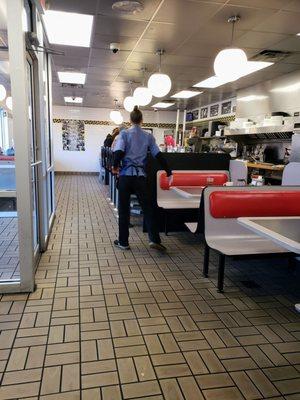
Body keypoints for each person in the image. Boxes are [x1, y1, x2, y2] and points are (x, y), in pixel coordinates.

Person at [112, 106, 173, 251]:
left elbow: (119, 152)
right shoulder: (148, 136)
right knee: (148, 208)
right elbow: (158, 155)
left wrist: (115, 166)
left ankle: (123, 242)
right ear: (142, 120)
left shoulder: (124, 134)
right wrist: (168, 171)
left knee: (124, 210)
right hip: (140, 178)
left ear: (130, 120)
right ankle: (154, 239)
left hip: (126, 177)